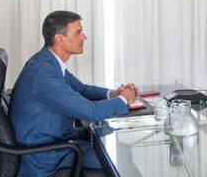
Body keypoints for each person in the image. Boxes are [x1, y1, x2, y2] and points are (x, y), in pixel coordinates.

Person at [10, 11, 138, 176]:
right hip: (46, 157)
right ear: (59, 38)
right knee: (119, 156)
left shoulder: (48, 62)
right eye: (78, 33)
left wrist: (113, 94)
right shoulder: (44, 73)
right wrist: (124, 99)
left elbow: (82, 89)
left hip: (57, 139)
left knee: (118, 145)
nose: (84, 37)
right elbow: (92, 112)